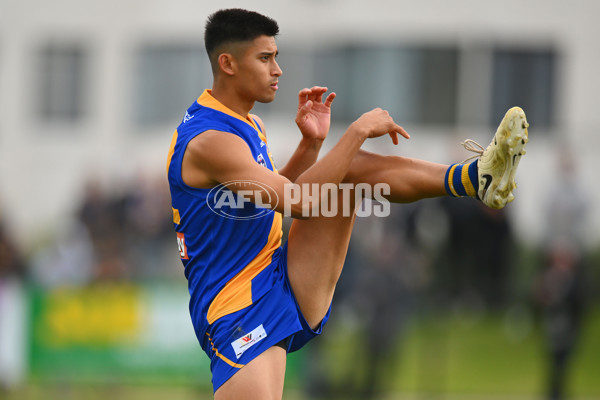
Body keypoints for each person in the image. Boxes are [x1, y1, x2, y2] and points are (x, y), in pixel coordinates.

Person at [165, 8, 529, 399]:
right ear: (228, 64)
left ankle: (477, 178)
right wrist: (356, 131)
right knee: (349, 162)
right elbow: (299, 202)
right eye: (265, 58)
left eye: (276, 57)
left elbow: (277, 192)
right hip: (236, 309)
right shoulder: (210, 140)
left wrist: (311, 145)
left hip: (278, 274)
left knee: (350, 172)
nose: (278, 70)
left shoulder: (247, 124)